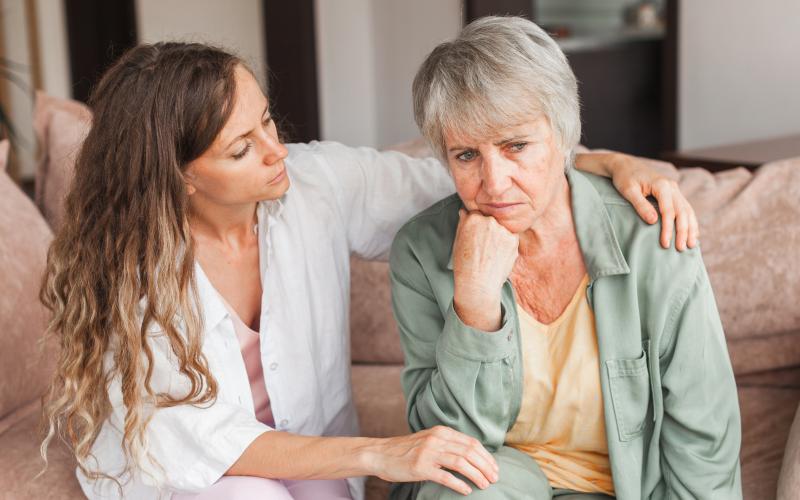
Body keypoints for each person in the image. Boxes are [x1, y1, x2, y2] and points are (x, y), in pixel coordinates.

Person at [39, 42, 699, 500]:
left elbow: (471, 176)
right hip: (184, 474)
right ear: (176, 179)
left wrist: (605, 162)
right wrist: (381, 453)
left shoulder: (311, 184)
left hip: (311, 453)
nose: (277, 153)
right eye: (242, 148)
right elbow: (198, 441)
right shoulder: (127, 274)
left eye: (268, 121)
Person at [389, 16, 741, 500]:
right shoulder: (420, 251)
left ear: (564, 135)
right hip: (495, 478)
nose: (494, 184)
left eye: (516, 146)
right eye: (466, 155)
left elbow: (703, 427)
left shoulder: (651, 236)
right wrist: (474, 305)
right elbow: (446, 444)